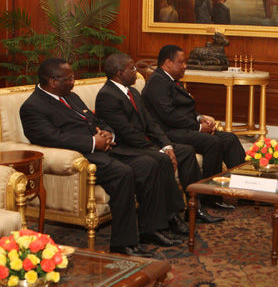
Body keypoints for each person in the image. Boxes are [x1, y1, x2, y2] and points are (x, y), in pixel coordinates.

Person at [20, 58, 181, 258]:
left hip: (104, 149)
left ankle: (151, 230)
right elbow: (51, 137)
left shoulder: (71, 97)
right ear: (53, 81)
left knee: (149, 163)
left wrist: (108, 134)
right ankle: (123, 244)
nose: (73, 82)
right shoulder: (33, 107)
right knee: (123, 173)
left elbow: (96, 119)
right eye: (69, 78)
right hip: (82, 156)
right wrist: (92, 142)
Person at [95, 54, 224, 224]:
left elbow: (151, 122)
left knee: (185, 151)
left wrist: (167, 145)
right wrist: (158, 149)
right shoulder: (107, 96)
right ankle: (171, 216)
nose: (136, 72)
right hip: (128, 147)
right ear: (120, 73)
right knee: (161, 158)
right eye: (132, 68)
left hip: (145, 142)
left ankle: (195, 207)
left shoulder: (132, 91)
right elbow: (127, 133)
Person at [141, 45, 246, 205]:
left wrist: (200, 119)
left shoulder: (172, 80)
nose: (185, 66)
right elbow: (169, 115)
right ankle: (210, 197)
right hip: (169, 132)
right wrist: (198, 128)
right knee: (213, 142)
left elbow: (184, 108)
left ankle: (246, 191)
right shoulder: (157, 82)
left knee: (229, 138)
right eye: (181, 62)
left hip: (184, 128)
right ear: (168, 63)